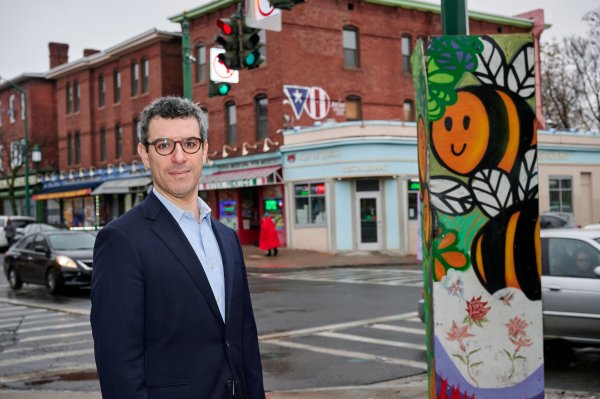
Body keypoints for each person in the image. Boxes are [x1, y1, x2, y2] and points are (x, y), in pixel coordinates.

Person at [90, 96, 265, 399]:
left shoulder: (226, 237)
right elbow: (118, 363)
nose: (179, 157)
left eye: (189, 144)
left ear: (205, 150)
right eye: (164, 145)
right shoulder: (121, 240)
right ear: (145, 155)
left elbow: (244, 338)